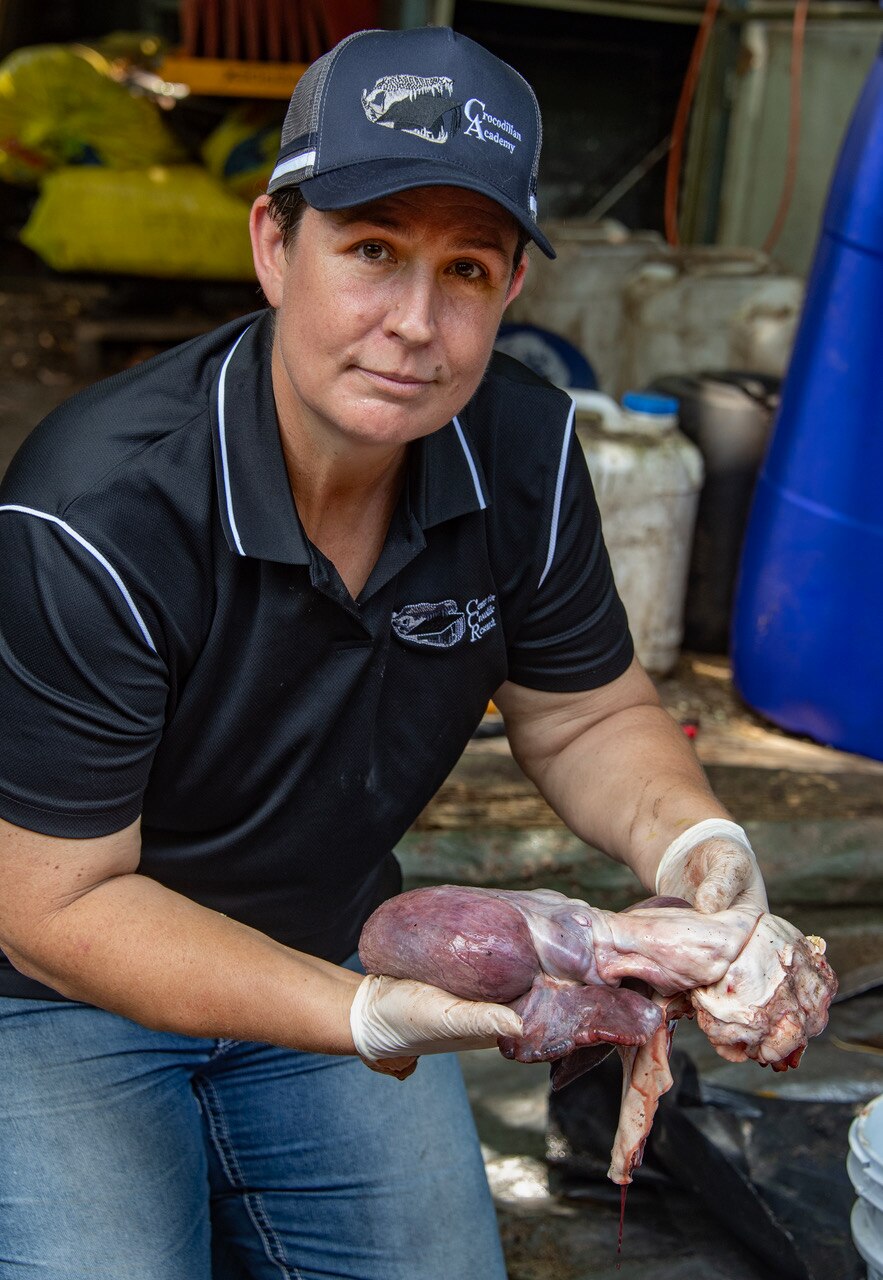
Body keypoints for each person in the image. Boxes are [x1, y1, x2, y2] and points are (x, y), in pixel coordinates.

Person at [0, 25, 769, 1280]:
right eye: (370, 251)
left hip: (328, 932)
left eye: (464, 268)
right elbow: (49, 906)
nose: (415, 322)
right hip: (54, 993)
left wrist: (695, 841)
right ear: (272, 245)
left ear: (512, 289)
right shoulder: (96, 510)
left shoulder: (519, 448)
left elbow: (581, 713)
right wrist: (363, 1013)